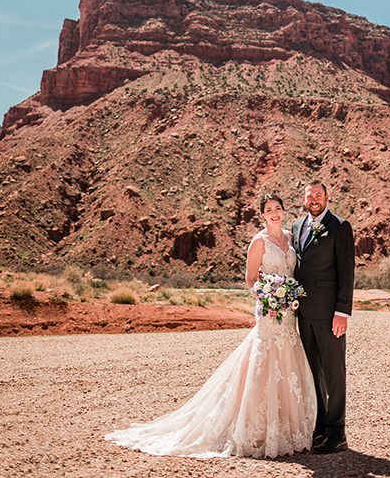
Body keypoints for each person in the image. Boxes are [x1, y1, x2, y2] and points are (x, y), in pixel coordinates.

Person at [106, 193, 317, 459]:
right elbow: (251, 280)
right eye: (269, 209)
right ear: (262, 214)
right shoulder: (259, 242)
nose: (274, 213)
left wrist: (287, 294)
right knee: (264, 364)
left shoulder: (290, 238)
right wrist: (267, 294)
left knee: (287, 364)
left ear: (283, 211)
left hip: (288, 315)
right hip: (268, 311)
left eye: (277, 208)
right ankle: (256, 431)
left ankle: (287, 429)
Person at [291, 180, 355, 454]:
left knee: (333, 372)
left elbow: (346, 272)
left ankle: (337, 431)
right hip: (303, 312)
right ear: (304, 199)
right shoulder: (296, 227)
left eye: (319, 195)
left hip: (330, 313)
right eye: (310, 195)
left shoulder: (339, 226)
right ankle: (319, 427)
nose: (314, 199)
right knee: (312, 370)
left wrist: (342, 311)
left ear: (327, 197)